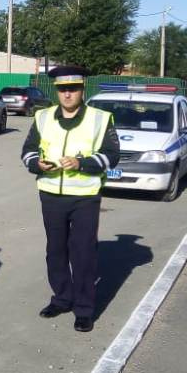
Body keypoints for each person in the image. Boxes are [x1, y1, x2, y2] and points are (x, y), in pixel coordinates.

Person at [21, 65, 120, 333]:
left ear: (82, 89)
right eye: (63, 89)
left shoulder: (100, 118)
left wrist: (81, 162)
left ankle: (84, 309)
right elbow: (28, 150)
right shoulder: (43, 117)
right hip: (51, 194)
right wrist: (37, 164)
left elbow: (112, 155)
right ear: (57, 91)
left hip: (85, 196)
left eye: (73, 89)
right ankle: (62, 298)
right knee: (55, 250)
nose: (67, 94)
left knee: (83, 253)